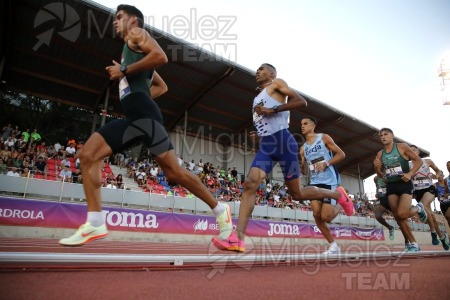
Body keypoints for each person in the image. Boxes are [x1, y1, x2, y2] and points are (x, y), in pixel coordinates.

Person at [59, 5, 232, 246]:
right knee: (88, 155)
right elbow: (161, 86)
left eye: (119, 17)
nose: (115, 22)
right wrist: (136, 84)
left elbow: (161, 57)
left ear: (133, 20)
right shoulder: (131, 48)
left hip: (146, 119)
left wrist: (124, 70)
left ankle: (220, 210)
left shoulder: (136, 34)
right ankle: (95, 222)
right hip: (135, 118)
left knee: (174, 172)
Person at [212, 63, 353, 253]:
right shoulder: (256, 99)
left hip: (284, 141)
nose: (257, 71)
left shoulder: (276, 84)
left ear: (271, 74)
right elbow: (265, 121)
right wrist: (260, 135)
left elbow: (301, 102)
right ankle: (238, 238)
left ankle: (337, 195)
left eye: (261, 69)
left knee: (297, 194)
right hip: (267, 145)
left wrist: (273, 110)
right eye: (257, 69)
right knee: (250, 184)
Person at [299, 116, 355, 254]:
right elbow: (304, 171)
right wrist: (302, 163)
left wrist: (326, 163)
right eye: (301, 124)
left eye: (305, 123)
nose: (302, 126)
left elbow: (341, 154)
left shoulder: (323, 138)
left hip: (329, 181)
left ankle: (341, 202)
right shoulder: (303, 148)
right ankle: (333, 246)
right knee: (316, 215)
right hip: (315, 182)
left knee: (326, 217)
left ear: (313, 126)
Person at [374, 128, 427, 252]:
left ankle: (418, 208)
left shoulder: (402, 147)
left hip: (404, 184)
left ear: (392, 135)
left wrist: (410, 173)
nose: (383, 137)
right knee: (398, 217)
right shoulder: (380, 154)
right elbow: (381, 174)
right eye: (381, 135)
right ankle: (413, 244)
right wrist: (377, 169)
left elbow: (418, 161)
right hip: (391, 186)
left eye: (386, 134)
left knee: (402, 214)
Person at [409, 145, 448, 249]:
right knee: (429, 215)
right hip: (417, 191)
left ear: (418, 152)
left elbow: (438, 171)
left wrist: (438, 175)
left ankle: (433, 233)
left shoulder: (427, 161)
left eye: (413, 150)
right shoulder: (407, 165)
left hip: (429, 189)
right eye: (410, 151)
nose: (412, 152)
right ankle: (442, 237)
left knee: (423, 205)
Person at [373, 175, 395, 240]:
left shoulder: (392, 175)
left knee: (400, 219)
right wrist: (378, 193)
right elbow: (378, 187)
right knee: (378, 216)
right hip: (383, 200)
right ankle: (390, 228)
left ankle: (408, 241)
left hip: (392, 198)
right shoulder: (376, 178)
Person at [434, 169, 450, 250]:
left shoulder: (447, 182)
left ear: (443, 176)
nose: (439, 177)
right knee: (448, 220)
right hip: (442, 205)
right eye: (438, 175)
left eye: (441, 175)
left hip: (449, 202)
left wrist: (447, 195)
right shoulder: (435, 185)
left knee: (448, 215)